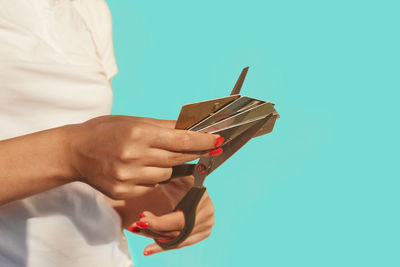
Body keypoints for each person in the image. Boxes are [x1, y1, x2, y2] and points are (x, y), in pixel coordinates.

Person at [0, 1, 223, 266]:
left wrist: (160, 197)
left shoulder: (88, 9)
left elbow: (81, 191)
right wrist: (70, 152)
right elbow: (73, 156)